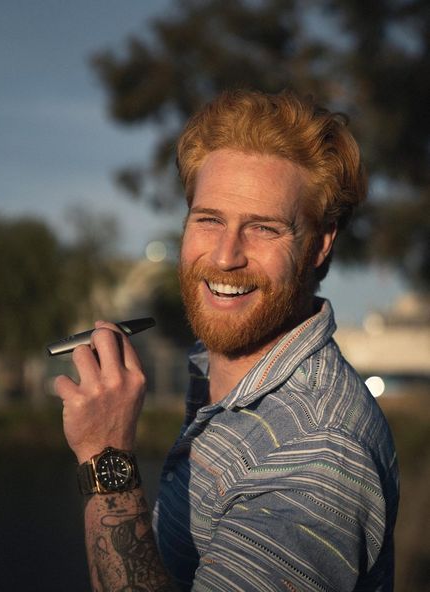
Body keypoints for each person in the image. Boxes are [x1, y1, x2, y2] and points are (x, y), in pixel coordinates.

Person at [55, 89, 399, 591]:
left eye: (263, 228)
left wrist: (105, 454)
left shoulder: (318, 455)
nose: (224, 256)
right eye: (209, 219)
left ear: (321, 243)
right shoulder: (219, 376)